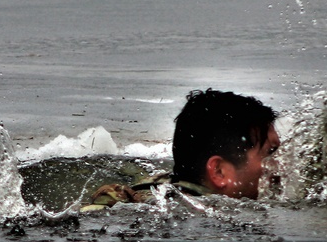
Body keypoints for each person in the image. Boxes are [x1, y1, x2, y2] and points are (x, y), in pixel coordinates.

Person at [81, 88, 280, 211]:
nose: (280, 165)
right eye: (270, 154)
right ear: (219, 171)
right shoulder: (192, 218)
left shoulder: (156, 192)